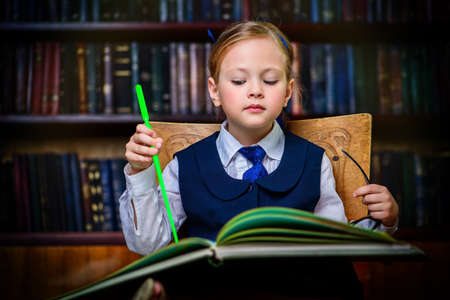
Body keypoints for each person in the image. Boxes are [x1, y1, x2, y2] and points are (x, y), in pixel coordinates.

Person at [119, 21, 399, 299]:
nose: (255, 90)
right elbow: (149, 244)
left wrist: (385, 221)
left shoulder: (315, 160)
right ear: (214, 91)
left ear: (288, 92)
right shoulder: (184, 165)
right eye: (239, 81)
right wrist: (140, 172)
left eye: (269, 80)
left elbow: (336, 244)